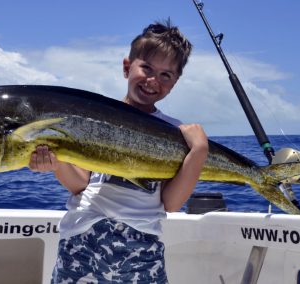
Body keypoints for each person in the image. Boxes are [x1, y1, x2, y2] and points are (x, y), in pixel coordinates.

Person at [30, 19, 208, 284]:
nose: (152, 80)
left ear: (174, 83)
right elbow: (80, 184)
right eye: (146, 68)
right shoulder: (94, 117)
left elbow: (171, 203)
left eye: (165, 75)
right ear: (127, 67)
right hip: (82, 236)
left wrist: (199, 151)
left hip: (140, 245)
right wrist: (56, 164)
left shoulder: (176, 134)